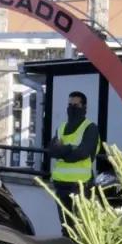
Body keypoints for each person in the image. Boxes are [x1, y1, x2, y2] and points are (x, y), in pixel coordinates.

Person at [48, 91, 100, 224]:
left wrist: (63, 149)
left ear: (84, 107)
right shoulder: (61, 128)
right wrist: (71, 148)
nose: (71, 108)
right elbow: (51, 151)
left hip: (80, 186)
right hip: (61, 186)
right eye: (69, 105)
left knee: (81, 227)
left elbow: (82, 153)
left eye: (75, 105)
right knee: (66, 227)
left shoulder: (90, 128)